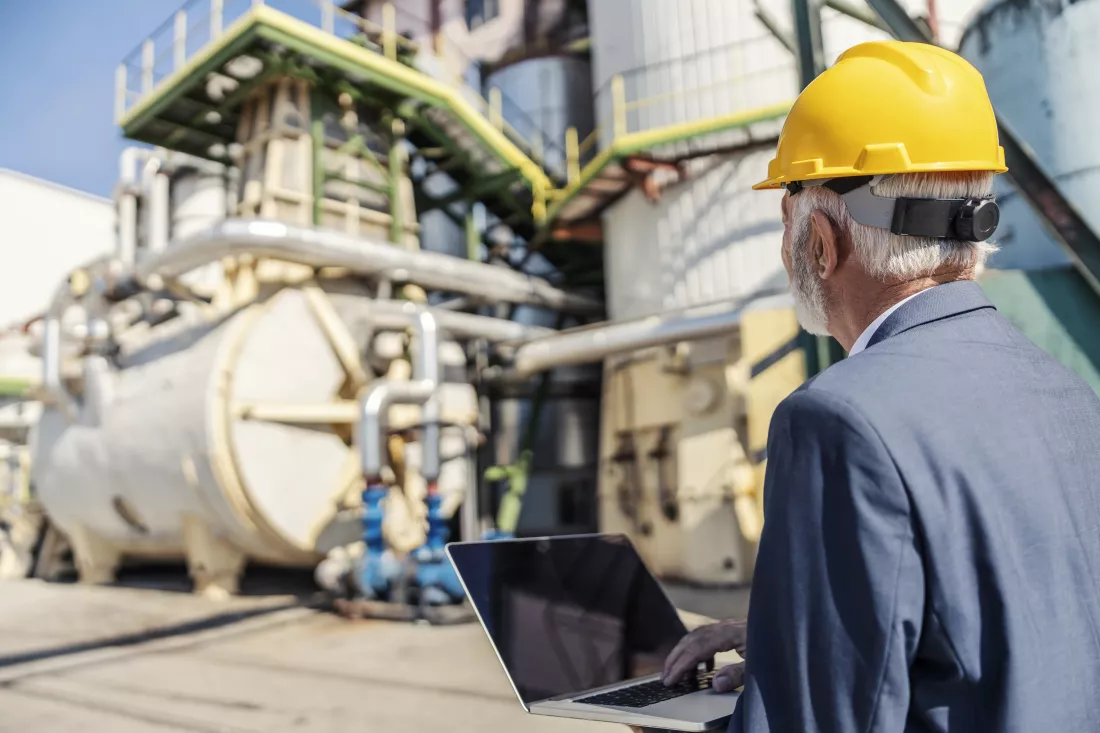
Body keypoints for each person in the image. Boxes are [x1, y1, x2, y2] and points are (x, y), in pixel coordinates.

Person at [656, 40, 1100, 732]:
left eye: (787, 217)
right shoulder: (1070, 397)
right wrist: (791, 645)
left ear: (820, 243)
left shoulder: (838, 421)